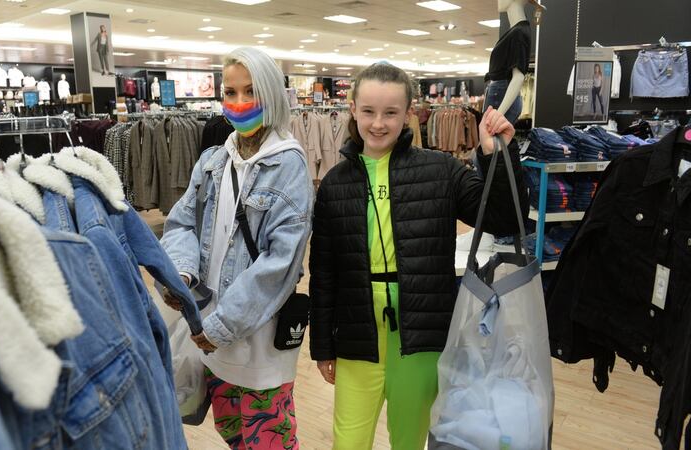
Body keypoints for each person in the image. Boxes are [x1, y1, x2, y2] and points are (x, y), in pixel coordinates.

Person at [309, 62, 527, 450]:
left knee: (409, 440)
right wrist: (323, 344)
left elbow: (501, 217)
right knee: (348, 440)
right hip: (357, 333)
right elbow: (324, 272)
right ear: (353, 110)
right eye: (369, 111)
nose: (378, 123)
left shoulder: (440, 170)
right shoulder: (334, 185)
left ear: (408, 113)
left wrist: (498, 155)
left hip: (422, 331)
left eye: (390, 113)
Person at [161, 46, 313, 449]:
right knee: (233, 435)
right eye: (231, 92)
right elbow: (181, 222)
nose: (240, 103)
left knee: (269, 439)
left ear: (272, 96)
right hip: (209, 336)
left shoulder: (289, 166)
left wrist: (222, 326)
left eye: (251, 92)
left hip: (256, 339)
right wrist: (180, 273)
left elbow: (279, 264)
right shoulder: (213, 160)